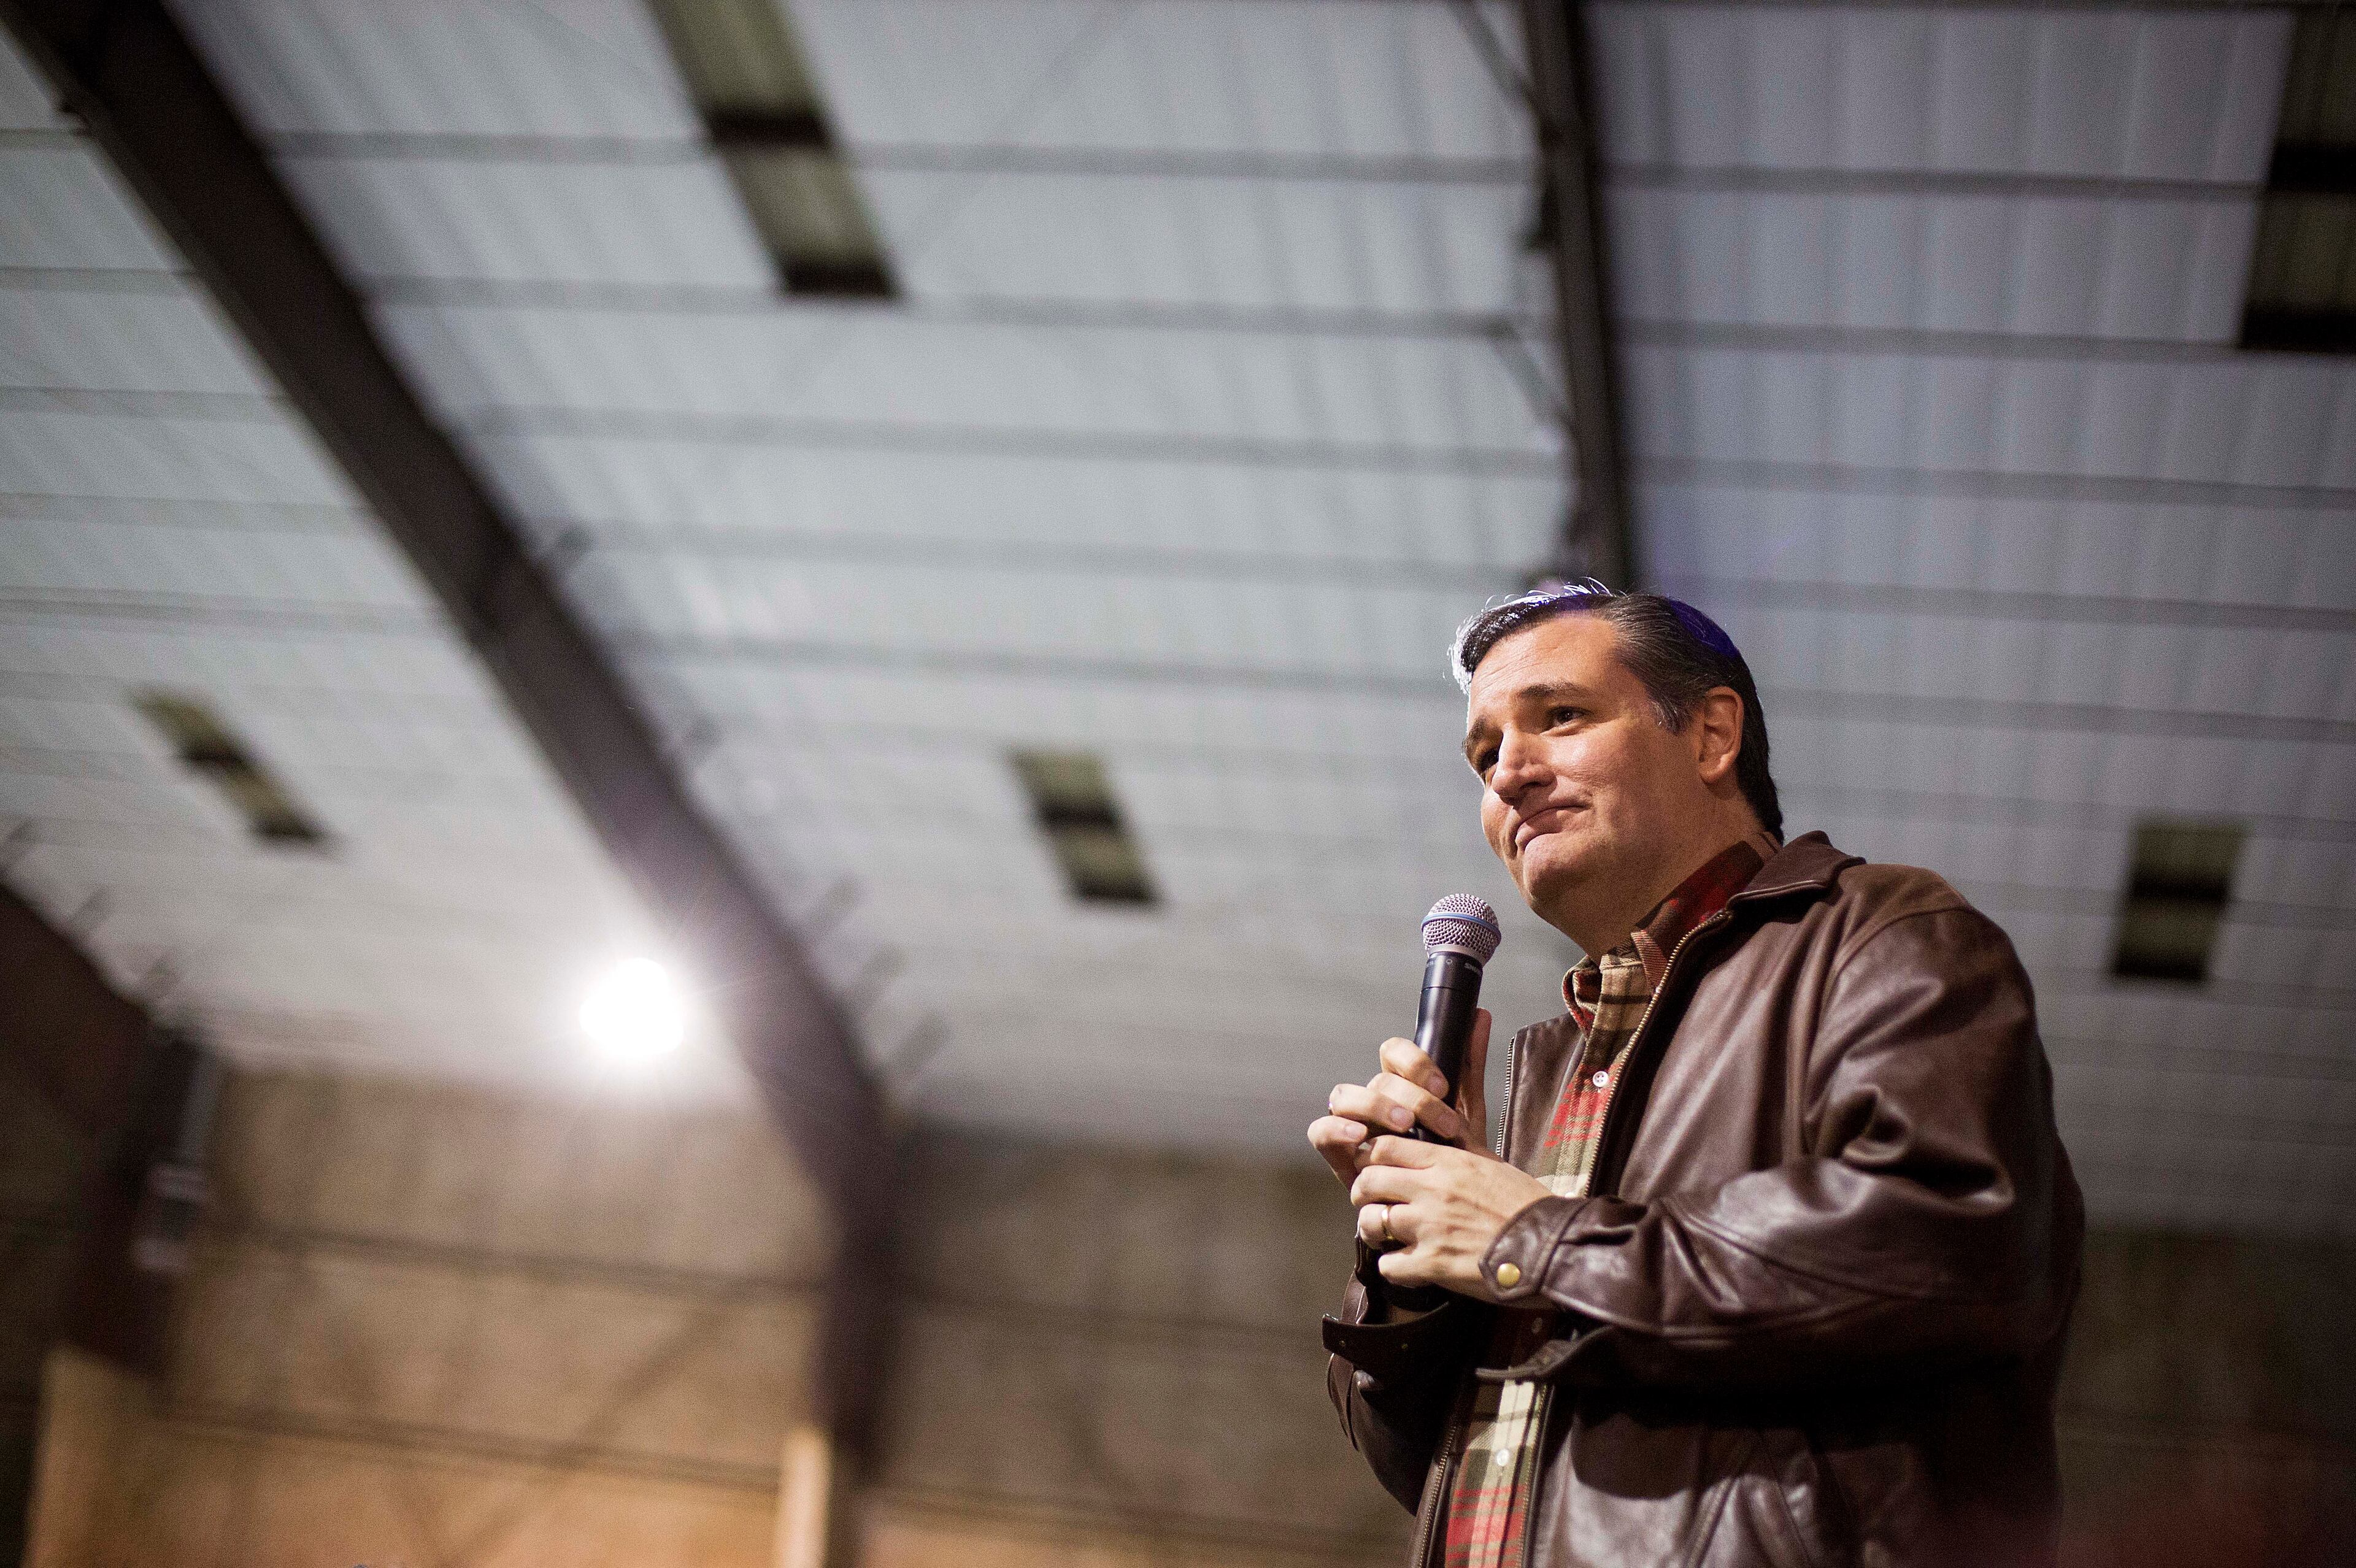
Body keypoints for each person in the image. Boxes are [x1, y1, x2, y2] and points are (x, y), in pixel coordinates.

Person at [1309, 585, 2083, 1568]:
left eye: (1560, 716)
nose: (1507, 772)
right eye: (1483, 752)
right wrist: (1414, 1255)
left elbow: (1951, 1245)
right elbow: (1439, 1466)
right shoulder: (1555, 1072)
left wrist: (1528, 1238)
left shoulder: (1882, 933)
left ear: (1713, 735)